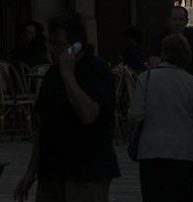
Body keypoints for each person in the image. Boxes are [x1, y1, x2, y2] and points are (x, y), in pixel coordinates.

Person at [13, 12, 119, 202]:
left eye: (60, 45)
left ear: (76, 45)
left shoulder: (97, 70)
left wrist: (68, 76)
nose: (53, 50)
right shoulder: (52, 74)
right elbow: (43, 126)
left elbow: (88, 115)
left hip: (86, 172)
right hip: (52, 172)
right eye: (50, 43)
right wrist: (31, 171)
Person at [129, 33, 193, 202]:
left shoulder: (146, 79)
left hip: (151, 151)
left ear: (163, 53)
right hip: (184, 153)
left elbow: (135, 114)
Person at [149, 5, 193, 76]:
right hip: (166, 78)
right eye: (174, 20)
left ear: (186, 22)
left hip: (188, 78)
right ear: (169, 21)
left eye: (181, 20)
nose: (177, 23)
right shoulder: (159, 37)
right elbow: (154, 65)